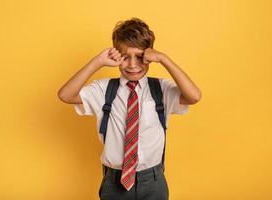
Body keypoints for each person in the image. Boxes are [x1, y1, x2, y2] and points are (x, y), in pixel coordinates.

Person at [58, 17, 202, 200]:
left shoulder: (161, 89)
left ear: (150, 56)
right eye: (125, 57)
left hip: (153, 181)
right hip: (114, 182)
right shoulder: (104, 90)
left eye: (140, 57)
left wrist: (164, 59)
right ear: (116, 55)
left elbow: (194, 96)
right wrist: (98, 61)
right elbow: (65, 95)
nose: (133, 65)